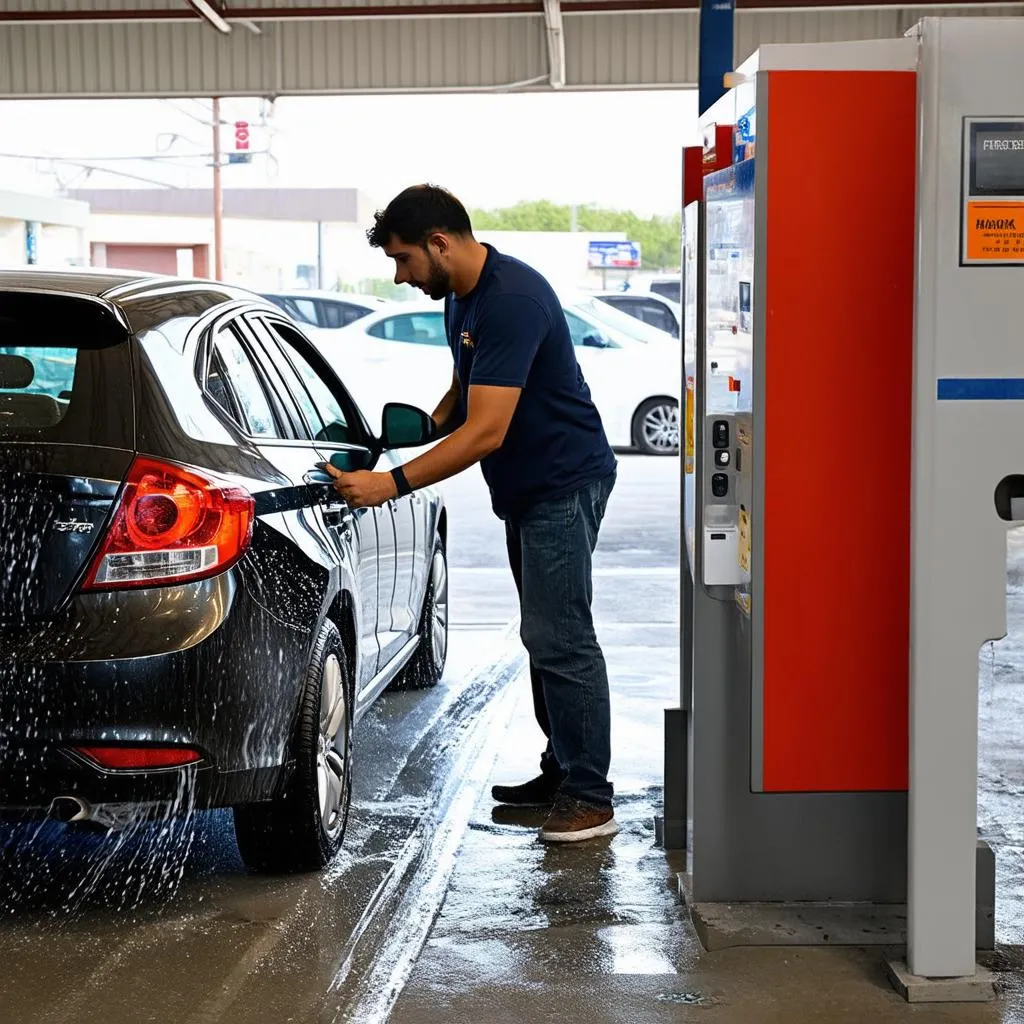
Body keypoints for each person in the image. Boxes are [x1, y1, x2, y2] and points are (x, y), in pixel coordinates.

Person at [326, 185, 619, 843]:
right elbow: (468, 388)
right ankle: (561, 769)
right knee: (542, 633)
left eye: (404, 260)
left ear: (440, 242)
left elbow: (486, 429)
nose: (400, 276)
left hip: (562, 483)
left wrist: (390, 483)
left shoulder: (512, 298)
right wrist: (417, 429)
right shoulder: (461, 295)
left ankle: (591, 797)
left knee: (561, 635)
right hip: (529, 486)